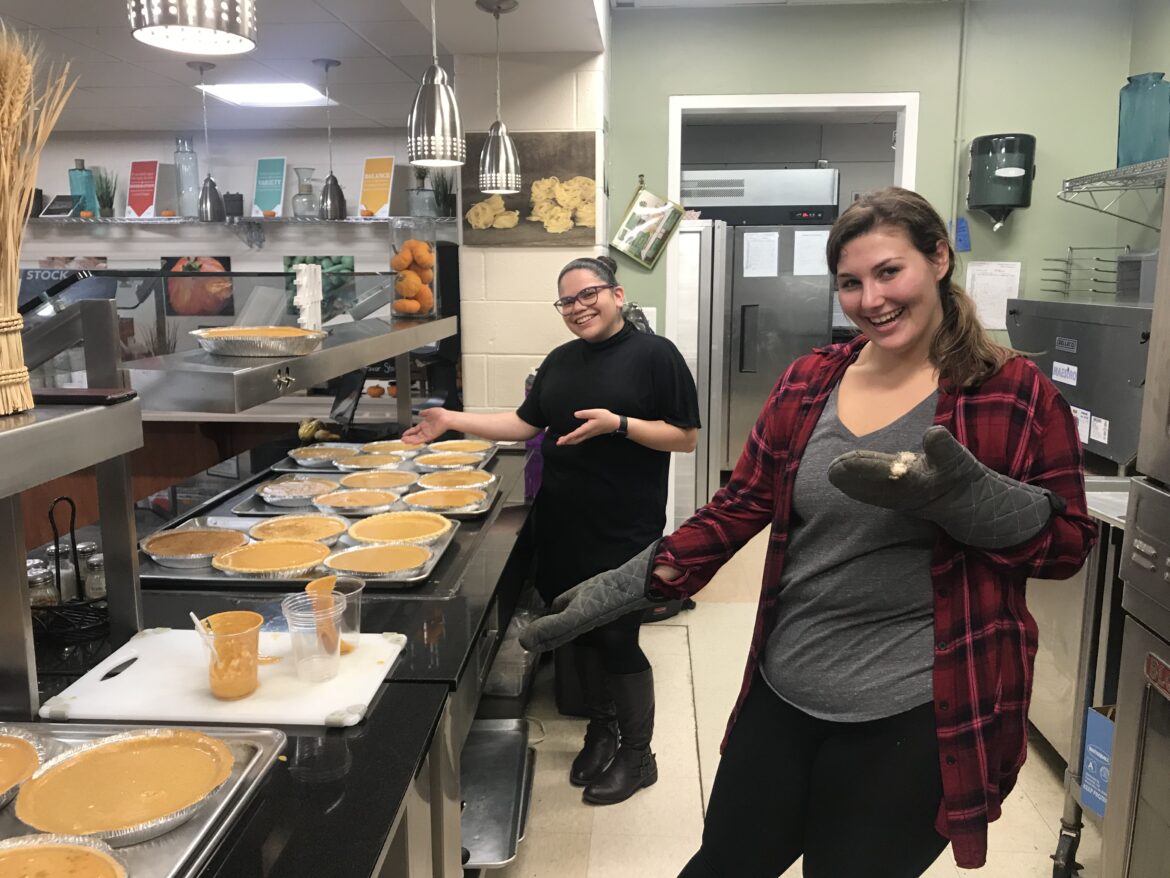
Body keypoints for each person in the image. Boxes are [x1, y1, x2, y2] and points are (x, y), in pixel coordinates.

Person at [520, 188, 1096, 875]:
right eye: (850, 282)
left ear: (939, 258)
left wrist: (967, 497)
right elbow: (736, 508)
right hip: (785, 686)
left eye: (889, 272)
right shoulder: (809, 381)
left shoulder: (1013, 390)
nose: (870, 298)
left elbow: (1065, 547)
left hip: (919, 709)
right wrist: (623, 587)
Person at [403, 254, 701, 805]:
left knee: (617, 637)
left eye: (589, 294)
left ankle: (639, 757)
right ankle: (601, 730)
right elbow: (523, 423)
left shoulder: (655, 356)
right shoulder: (561, 360)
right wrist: (452, 421)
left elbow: (685, 437)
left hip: (623, 528)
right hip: (564, 522)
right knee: (579, 634)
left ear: (616, 294)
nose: (578, 307)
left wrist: (620, 424)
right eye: (567, 300)